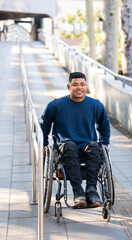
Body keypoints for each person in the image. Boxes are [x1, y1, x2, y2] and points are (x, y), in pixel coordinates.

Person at [40, 72, 110, 208]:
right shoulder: (55, 105)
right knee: (70, 146)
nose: (79, 88)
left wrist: (105, 143)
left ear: (86, 86)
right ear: (68, 86)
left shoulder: (95, 105)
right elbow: (44, 126)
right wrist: (44, 145)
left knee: (95, 147)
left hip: (87, 147)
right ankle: (78, 192)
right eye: (75, 85)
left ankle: (91, 190)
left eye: (82, 84)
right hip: (65, 147)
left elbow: (104, 125)